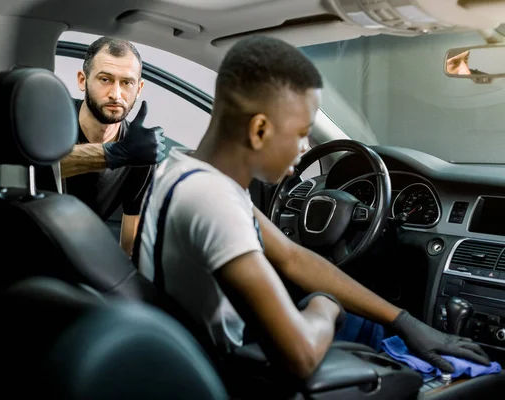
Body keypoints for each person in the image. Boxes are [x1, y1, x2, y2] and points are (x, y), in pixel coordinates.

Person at [134, 35, 492, 379]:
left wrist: (404, 321)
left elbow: (292, 256)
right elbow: (302, 355)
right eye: (302, 132)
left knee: (374, 322)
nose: (306, 147)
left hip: (201, 354)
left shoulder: (187, 171)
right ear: (259, 129)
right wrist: (326, 305)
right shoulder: (212, 201)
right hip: (228, 373)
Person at [38, 37, 166, 255]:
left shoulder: (138, 150)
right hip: (30, 243)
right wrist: (115, 154)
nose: (116, 95)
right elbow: (33, 167)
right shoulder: (51, 119)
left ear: (139, 88)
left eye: (127, 83)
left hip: (80, 254)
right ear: (82, 80)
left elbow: (130, 241)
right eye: (105, 79)